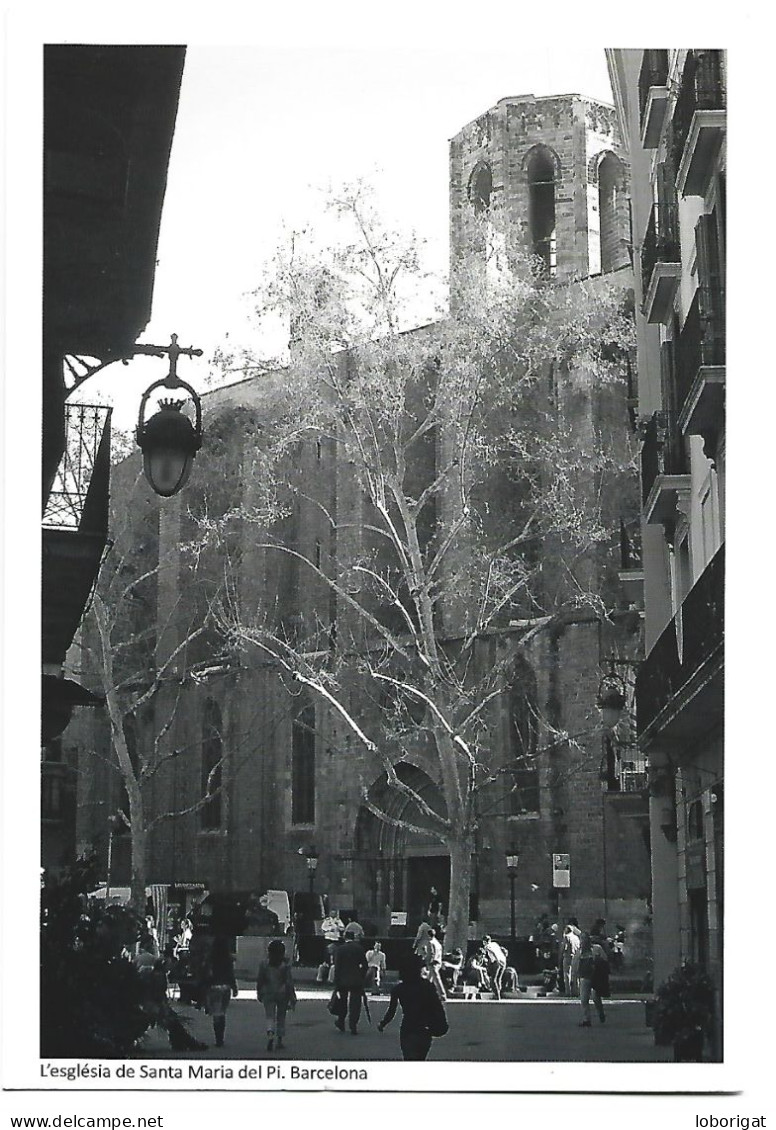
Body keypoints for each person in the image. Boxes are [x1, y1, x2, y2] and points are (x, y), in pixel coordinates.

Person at [377, 954, 448, 1061]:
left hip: (408, 1028)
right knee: (420, 1059)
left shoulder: (398, 989)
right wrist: (441, 1023)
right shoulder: (427, 986)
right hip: (424, 1028)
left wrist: (383, 1023)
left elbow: (391, 1011)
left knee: (409, 1059)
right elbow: (437, 1006)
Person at [256, 939, 297, 1052]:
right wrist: (292, 996)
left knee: (270, 1015)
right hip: (282, 993)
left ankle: (270, 1033)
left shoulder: (264, 964)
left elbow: (260, 979)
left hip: (268, 992)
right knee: (281, 1016)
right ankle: (279, 1040)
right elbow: (289, 982)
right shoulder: (285, 965)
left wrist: (259, 991)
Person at [201, 933, 238, 1047]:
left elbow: (205, 974)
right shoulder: (228, 959)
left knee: (216, 1013)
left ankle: (218, 1038)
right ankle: (220, 1037)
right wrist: (234, 986)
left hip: (213, 987)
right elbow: (230, 974)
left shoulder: (210, 958)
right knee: (222, 1012)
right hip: (225, 987)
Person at [332, 923, 368, 1035]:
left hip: (343, 979)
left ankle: (341, 1020)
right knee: (355, 1003)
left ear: (345, 937)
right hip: (356, 979)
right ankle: (353, 1024)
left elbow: (337, 966)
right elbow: (365, 965)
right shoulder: (359, 948)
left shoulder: (340, 949)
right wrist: (361, 975)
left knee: (342, 1001)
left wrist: (336, 980)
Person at [572, 932, 608, 1026]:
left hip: (596, 977)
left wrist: (598, 962)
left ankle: (600, 1012)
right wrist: (574, 977)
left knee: (596, 998)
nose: (583, 941)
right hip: (584, 977)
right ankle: (586, 1019)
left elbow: (605, 959)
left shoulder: (597, 949)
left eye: (585, 939)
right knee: (584, 999)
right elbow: (575, 965)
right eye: (582, 939)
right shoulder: (579, 952)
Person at [482, 935, 508, 1000]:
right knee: (498, 979)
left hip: (497, 962)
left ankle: (497, 995)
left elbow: (493, 952)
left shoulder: (487, 946)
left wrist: (497, 960)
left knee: (493, 980)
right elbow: (501, 950)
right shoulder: (495, 943)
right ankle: (499, 993)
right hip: (503, 961)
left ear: (484, 942)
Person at [561, 924, 581, 996]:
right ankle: (577, 991)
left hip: (568, 957)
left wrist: (561, 953)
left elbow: (564, 948)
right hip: (576, 957)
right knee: (575, 974)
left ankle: (568, 992)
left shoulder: (566, 937)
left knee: (567, 974)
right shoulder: (576, 938)